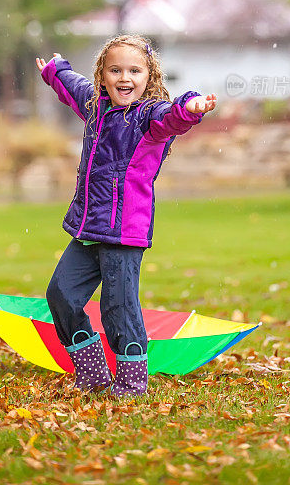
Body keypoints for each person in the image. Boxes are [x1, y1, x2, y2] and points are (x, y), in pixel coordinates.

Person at [36, 34, 216, 395]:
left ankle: (132, 381)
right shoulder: (95, 106)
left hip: (123, 232)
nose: (125, 78)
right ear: (102, 76)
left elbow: (174, 117)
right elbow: (73, 86)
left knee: (118, 307)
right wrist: (55, 70)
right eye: (115, 70)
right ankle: (93, 372)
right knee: (60, 294)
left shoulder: (150, 118)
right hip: (88, 227)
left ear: (149, 77)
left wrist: (191, 106)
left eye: (135, 71)